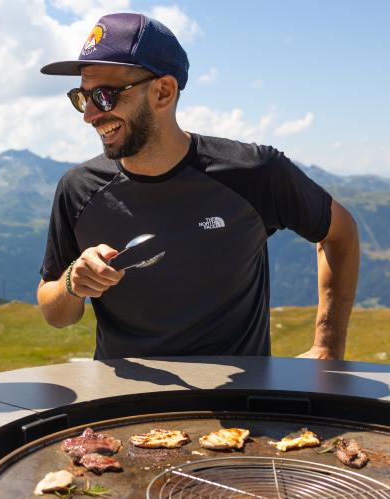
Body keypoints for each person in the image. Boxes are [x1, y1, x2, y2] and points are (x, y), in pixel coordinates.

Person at [36, 13, 360, 360]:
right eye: (82, 97)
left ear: (163, 92)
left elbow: (340, 234)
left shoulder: (254, 172)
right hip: (122, 407)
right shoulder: (77, 189)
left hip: (240, 404)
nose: (89, 115)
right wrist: (73, 282)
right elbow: (56, 314)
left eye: (104, 96)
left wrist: (328, 346)